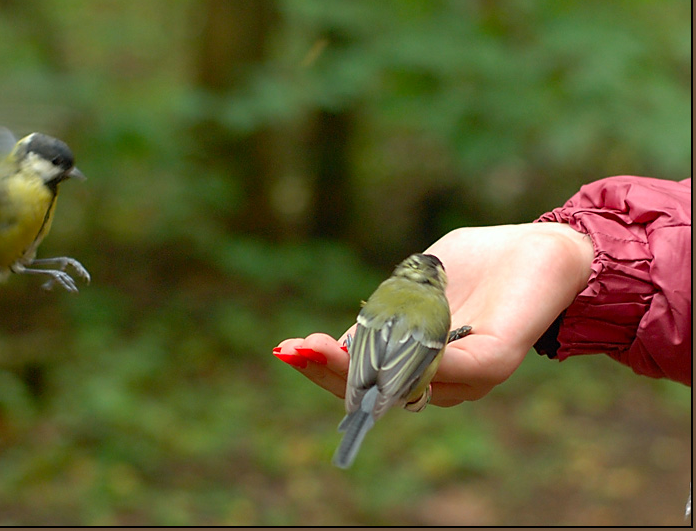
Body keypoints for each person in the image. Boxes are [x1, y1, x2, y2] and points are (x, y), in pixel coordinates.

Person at [275, 174, 691, 518]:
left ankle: (361, 419)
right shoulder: (436, 311)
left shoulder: (389, 298)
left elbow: (372, 339)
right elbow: (414, 353)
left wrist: (370, 383)